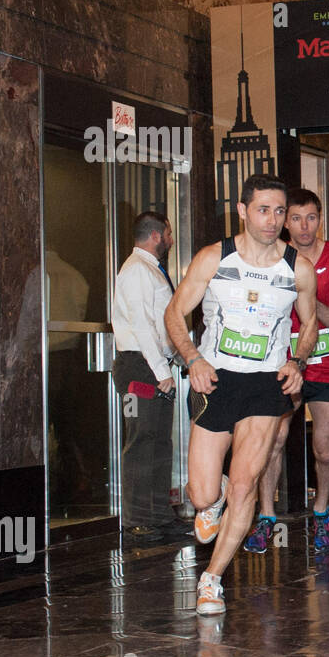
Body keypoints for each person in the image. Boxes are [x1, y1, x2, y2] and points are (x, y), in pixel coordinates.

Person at [165, 174, 318, 615]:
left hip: (266, 384)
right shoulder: (214, 258)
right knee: (200, 494)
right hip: (218, 380)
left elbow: (308, 323)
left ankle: (212, 580)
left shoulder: (297, 268)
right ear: (243, 210)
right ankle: (214, 498)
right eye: (263, 210)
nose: (273, 221)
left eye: (279, 212)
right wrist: (194, 359)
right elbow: (175, 311)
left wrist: (298, 362)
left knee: (248, 483)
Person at [244, 189, 329, 555]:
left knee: (324, 450)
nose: (304, 227)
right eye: (296, 218)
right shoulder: (274, 257)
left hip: (325, 365)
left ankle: (321, 511)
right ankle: (266, 516)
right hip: (281, 364)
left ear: (320, 219)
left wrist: (308, 299)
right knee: (273, 439)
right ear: (284, 220)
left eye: (311, 218)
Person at [111, 211, 177, 536]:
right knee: (140, 441)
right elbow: (141, 324)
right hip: (139, 366)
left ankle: (159, 516)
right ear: (156, 236)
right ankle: (137, 520)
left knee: (160, 443)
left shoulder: (151, 270)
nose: (171, 240)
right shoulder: (137, 270)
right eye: (169, 233)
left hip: (153, 365)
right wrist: (162, 369)